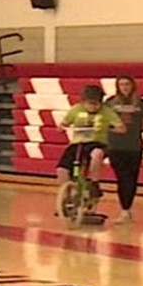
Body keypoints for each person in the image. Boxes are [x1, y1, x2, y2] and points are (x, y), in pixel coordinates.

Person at [54, 85, 121, 216]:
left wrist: (110, 128)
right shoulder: (75, 110)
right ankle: (67, 198)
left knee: (97, 154)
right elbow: (63, 124)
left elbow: (121, 128)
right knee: (61, 170)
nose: (93, 107)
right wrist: (61, 127)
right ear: (83, 102)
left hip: (97, 143)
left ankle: (94, 183)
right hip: (77, 144)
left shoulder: (107, 112)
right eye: (90, 104)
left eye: (96, 104)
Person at [104, 74, 143, 224]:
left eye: (127, 84)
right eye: (121, 84)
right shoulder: (110, 102)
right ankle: (124, 209)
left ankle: (127, 208)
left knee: (132, 179)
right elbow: (104, 122)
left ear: (132, 85)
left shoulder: (141, 103)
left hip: (134, 146)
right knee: (122, 177)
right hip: (115, 145)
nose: (125, 87)